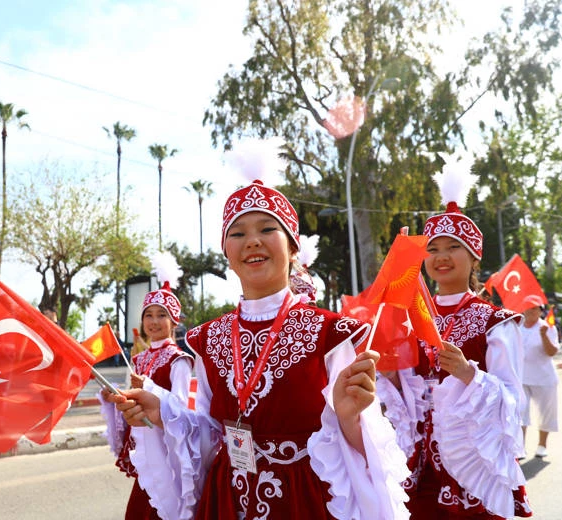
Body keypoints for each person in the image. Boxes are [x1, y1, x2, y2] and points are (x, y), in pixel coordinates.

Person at [108, 176, 409, 519]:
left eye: (267, 229)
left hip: (302, 500)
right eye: (238, 234)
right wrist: (163, 413)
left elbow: (364, 448)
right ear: (227, 253)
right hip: (226, 498)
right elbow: (209, 432)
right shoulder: (209, 338)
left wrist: (348, 416)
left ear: (292, 247)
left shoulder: (330, 334)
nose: (252, 241)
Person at [376, 165, 531, 518]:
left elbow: (512, 400)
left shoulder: (495, 321)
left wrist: (468, 374)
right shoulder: (412, 317)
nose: (442, 256)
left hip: (471, 458)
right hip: (422, 464)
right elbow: (408, 396)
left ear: (474, 256)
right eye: (433, 249)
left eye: (453, 247)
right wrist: (390, 377)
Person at [101, 253, 194, 519]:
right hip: (144, 442)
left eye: (161, 315)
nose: (154, 322)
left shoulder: (180, 360)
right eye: (149, 315)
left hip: (166, 448)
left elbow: (181, 407)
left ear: (174, 321)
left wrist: (150, 387)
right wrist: (113, 394)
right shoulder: (140, 357)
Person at [520, 294, 560, 459]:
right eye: (528, 307)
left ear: (540, 310)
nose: (531, 310)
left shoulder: (547, 327)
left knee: (546, 413)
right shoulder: (516, 326)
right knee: (520, 412)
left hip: (544, 378)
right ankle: (520, 447)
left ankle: (542, 445)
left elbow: (551, 352)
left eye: (535, 308)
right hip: (522, 377)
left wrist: (543, 335)